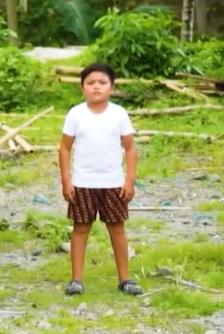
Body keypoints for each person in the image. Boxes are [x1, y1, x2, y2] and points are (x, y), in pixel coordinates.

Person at [58, 62, 143, 297]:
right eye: (91, 83)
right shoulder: (75, 114)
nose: (96, 87)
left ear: (112, 88)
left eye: (102, 83)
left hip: (113, 183)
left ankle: (125, 279)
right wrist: (66, 180)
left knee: (117, 228)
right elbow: (65, 148)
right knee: (81, 228)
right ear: (82, 88)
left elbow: (130, 148)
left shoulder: (119, 114)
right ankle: (76, 280)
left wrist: (130, 180)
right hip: (82, 184)